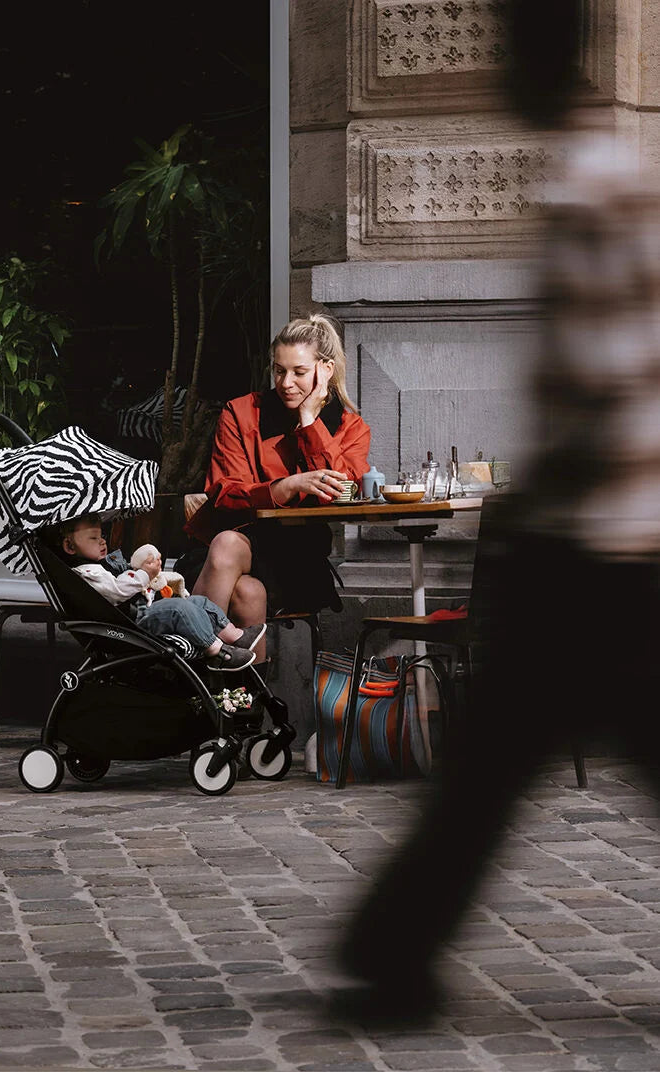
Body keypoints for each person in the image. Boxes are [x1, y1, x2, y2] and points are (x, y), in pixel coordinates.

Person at [337, 0, 660, 1020]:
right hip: (612, 534)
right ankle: (390, 956)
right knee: (499, 760)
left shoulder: (591, 191)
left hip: (594, 542)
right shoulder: (609, 179)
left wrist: (533, 509)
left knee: (490, 766)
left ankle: (390, 958)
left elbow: (608, 378)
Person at [183, 314, 371, 660]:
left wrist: (310, 420)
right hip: (230, 545)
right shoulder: (241, 413)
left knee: (247, 590)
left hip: (297, 556)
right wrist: (285, 487)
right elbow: (225, 493)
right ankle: (242, 689)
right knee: (240, 576)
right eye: (279, 371)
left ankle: (186, 668)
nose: (286, 383)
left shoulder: (350, 428)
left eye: (299, 372)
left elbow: (340, 492)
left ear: (326, 370)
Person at [50, 513, 266, 672]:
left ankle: (233, 635)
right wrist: (143, 574)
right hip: (132, 623)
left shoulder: (102, 565)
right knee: (179, 609)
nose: (102, 541)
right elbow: (117, 591)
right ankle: (217, 652)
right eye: (93, 538)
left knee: (198, 602)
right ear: (70, 546)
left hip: (142, 611)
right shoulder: (87, 573)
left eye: (102, 535)